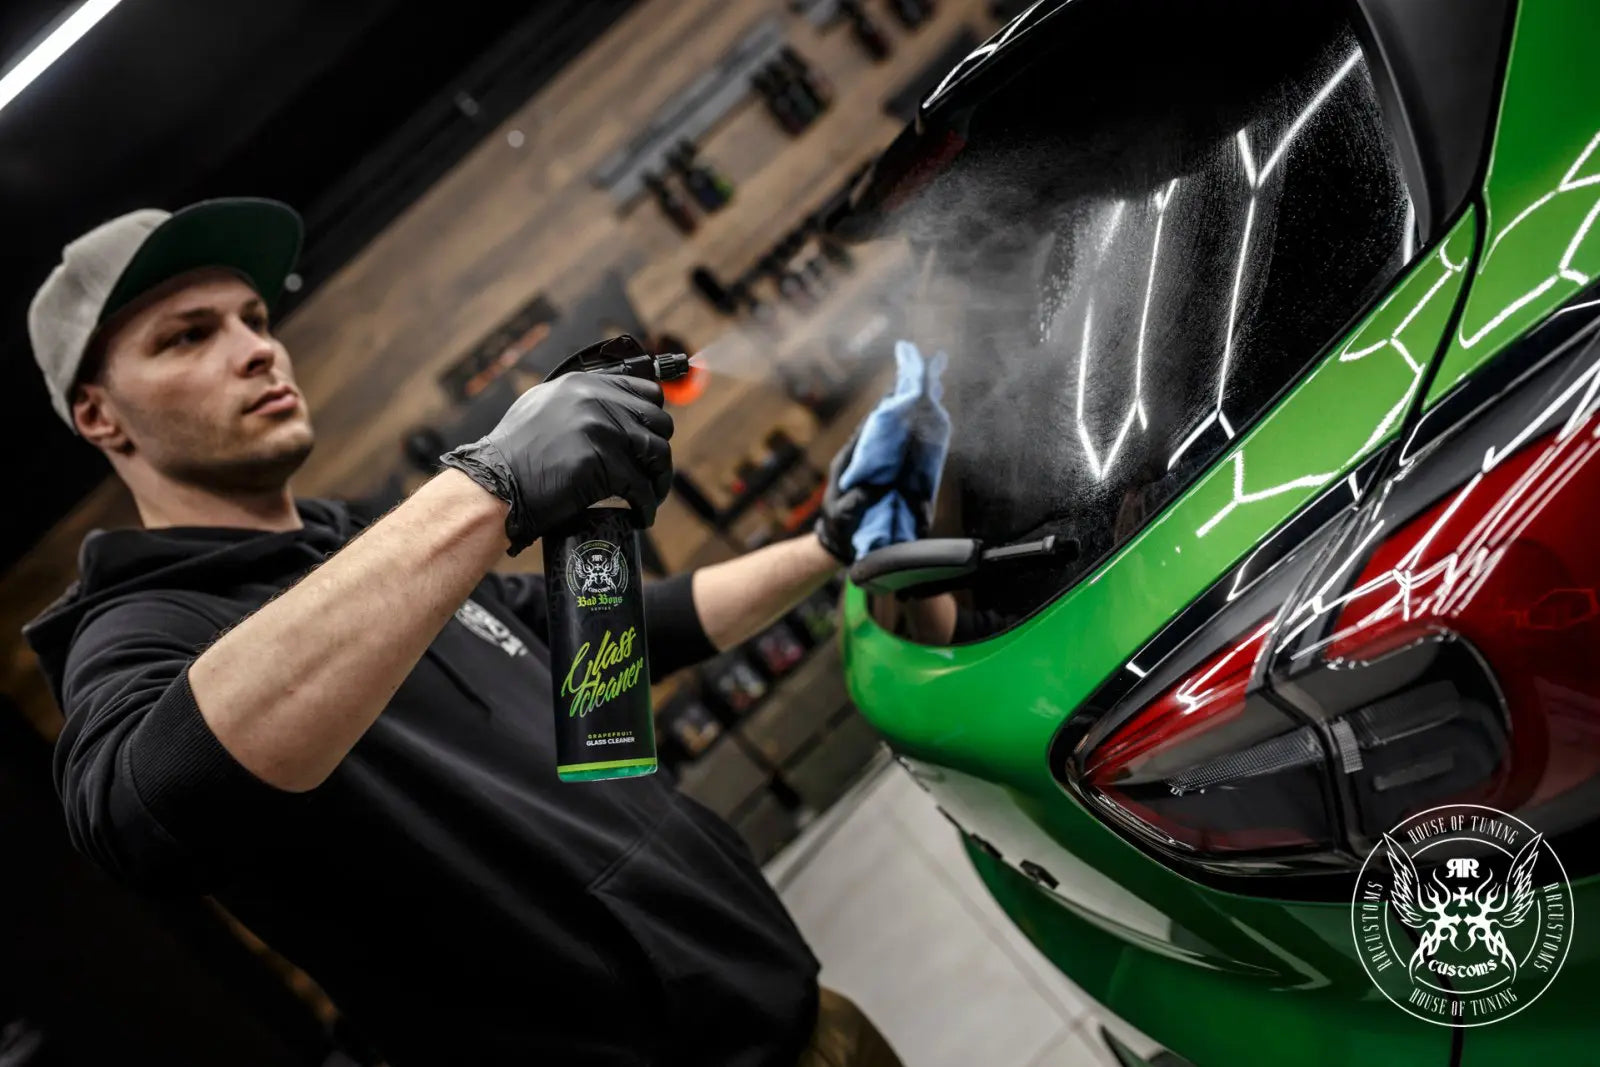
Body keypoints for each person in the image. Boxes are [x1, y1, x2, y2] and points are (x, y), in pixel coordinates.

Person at [22, 199, 904, 1067]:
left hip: (795, 1003)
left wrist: (831, 541)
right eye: (187, 336)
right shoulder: (136, 628)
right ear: (99, 414)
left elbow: (626, 631)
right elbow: (141, 813)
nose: (256, 348)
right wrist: (493, 480)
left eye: (254, 318)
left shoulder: (363, 546)